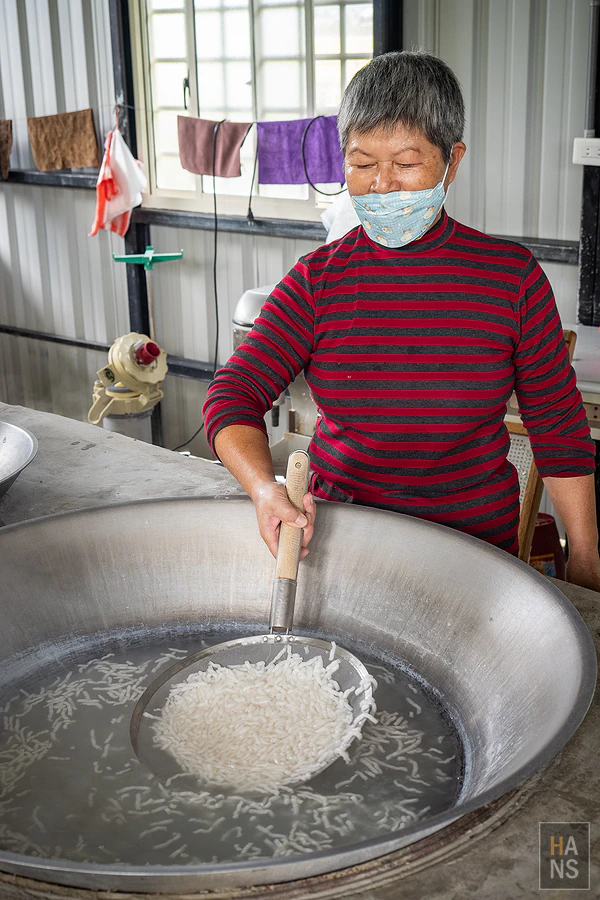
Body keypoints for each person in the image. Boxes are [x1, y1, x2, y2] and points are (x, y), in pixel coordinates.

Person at [202, 51, 599, 591]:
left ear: (452, 161)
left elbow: (558, 428)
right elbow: (232, 396)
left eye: (406, 164)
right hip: (345, 548)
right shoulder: (319, 280)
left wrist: (587, 558)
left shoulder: (512, 280)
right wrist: (265, 489)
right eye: (362, 165)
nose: (382, 185)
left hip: (478, 560)